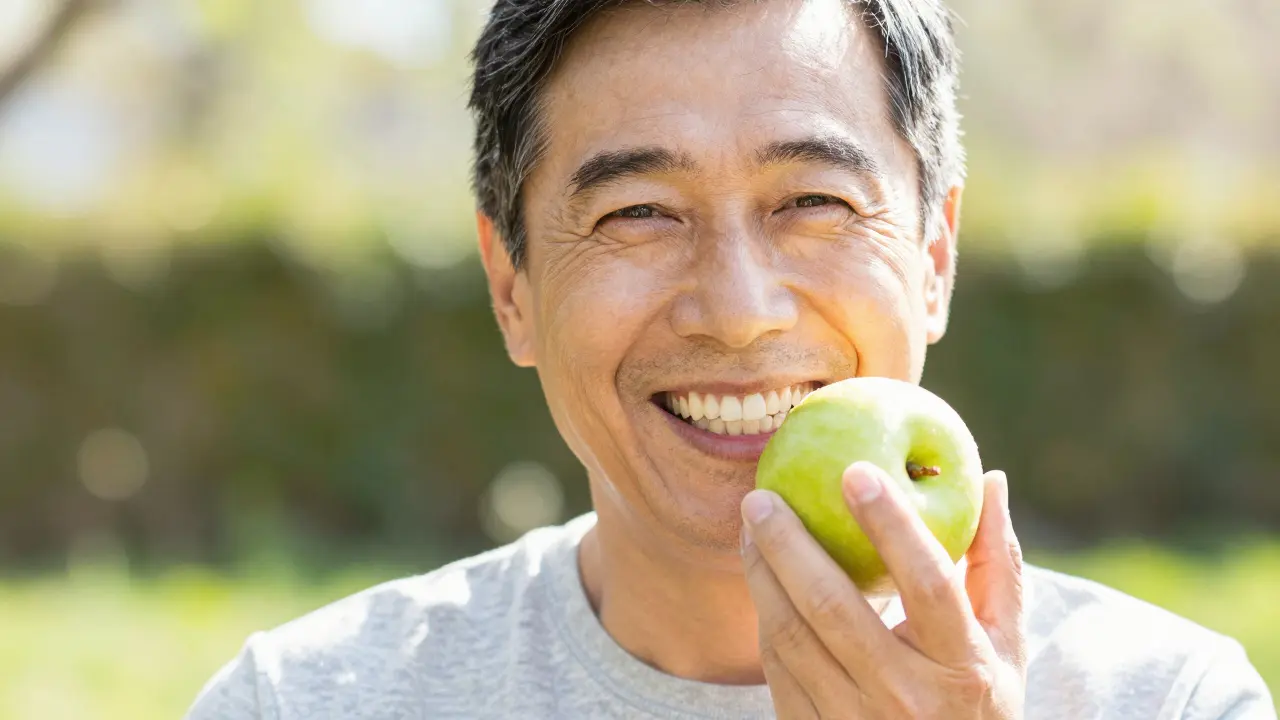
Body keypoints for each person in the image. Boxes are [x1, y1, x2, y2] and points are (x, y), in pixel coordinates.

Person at [187, 0, 1276, 717]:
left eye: (810, 202)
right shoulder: (309, 702)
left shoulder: (1172, 700)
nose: (740, 313)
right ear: (510, 284)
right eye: (640, 213)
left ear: (933, 256)